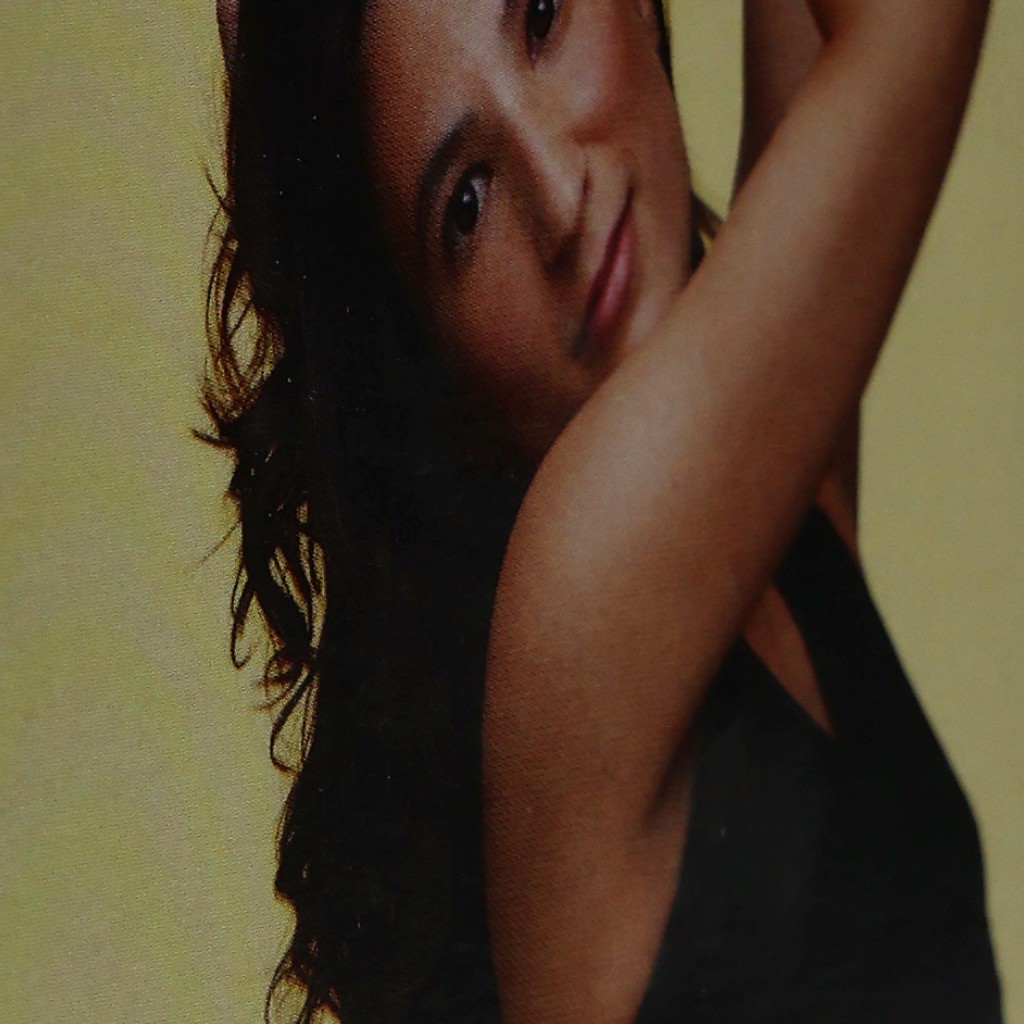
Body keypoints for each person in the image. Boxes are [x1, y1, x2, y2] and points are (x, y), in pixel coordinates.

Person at [203, 1, 1000, 1022]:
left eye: (542, 18)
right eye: (465, 204)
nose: (559, 192)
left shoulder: (769, 509)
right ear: (430, 370)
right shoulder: (578, 603)